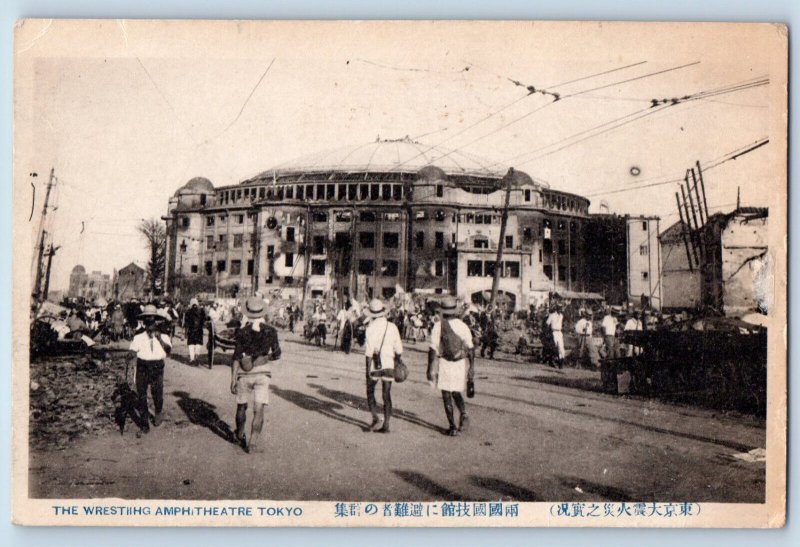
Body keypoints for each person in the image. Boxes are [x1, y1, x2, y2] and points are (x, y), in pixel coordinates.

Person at [230, 297, 282, 453]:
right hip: (263, 374)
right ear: (263, 313)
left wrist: (233, 379)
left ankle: (239, 434)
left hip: (244, 374)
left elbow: (236, 356)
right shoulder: (271, 331)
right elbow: (278, 353)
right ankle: (253, 442)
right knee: (259, 409)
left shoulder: (241, 332)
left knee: (241, 406)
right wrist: (265, 358)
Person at [427, 297, 475, 436]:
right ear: (455, 311)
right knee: (456, 391)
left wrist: (430, 368)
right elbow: (471, 349)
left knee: (446, 394)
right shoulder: (463, 326)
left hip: (445, 362)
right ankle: (464, 413)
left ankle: (452, 426)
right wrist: (471, 368)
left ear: (442, 311)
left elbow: (433, 349)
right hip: (460, 363)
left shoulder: (438, 326)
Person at [128, 305, 172, 437]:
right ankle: (144, 424)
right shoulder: (138, 336)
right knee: (141, 395)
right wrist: (130, 356)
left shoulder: (163, 335)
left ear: (156, 321)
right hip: (142, 367)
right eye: (147, 321)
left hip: (157, 367)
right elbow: (132, 350)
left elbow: (168, 351)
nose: (150, 323)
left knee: (157, 394)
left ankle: (158, 412)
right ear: (144, 321)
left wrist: (159, 338)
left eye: (152, 320)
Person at [363, 298, 403, 433]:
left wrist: (367, 371)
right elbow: (399, 350)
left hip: (375, 365)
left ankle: (375, 418)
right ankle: (386, 425)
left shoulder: (370, 329)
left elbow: (368, 354)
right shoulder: (392, 327)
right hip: (389, 365)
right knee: (387, 394)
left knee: (370, 391)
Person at [183, 298, 205, 365]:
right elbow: (205, 320)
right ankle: (196, 356)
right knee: (198, 343)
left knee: (191, 344)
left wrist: (185, 332)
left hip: (191, 331)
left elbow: (186, 323)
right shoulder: (201, 311)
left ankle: (192, 359)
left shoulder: (188, 312)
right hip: (199, 331)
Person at [545, 304, 565, 368]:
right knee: (554, 348)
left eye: (561, 308)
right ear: (556, 309)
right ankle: (553, 361)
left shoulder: (561, 316)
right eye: (559, 308)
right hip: (553, 332)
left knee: (561, 347)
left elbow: (562, 324)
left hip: (559, 332)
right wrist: (548, 333)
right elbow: (547, 324)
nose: (560, 310)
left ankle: (561, 362)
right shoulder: (552, 315)